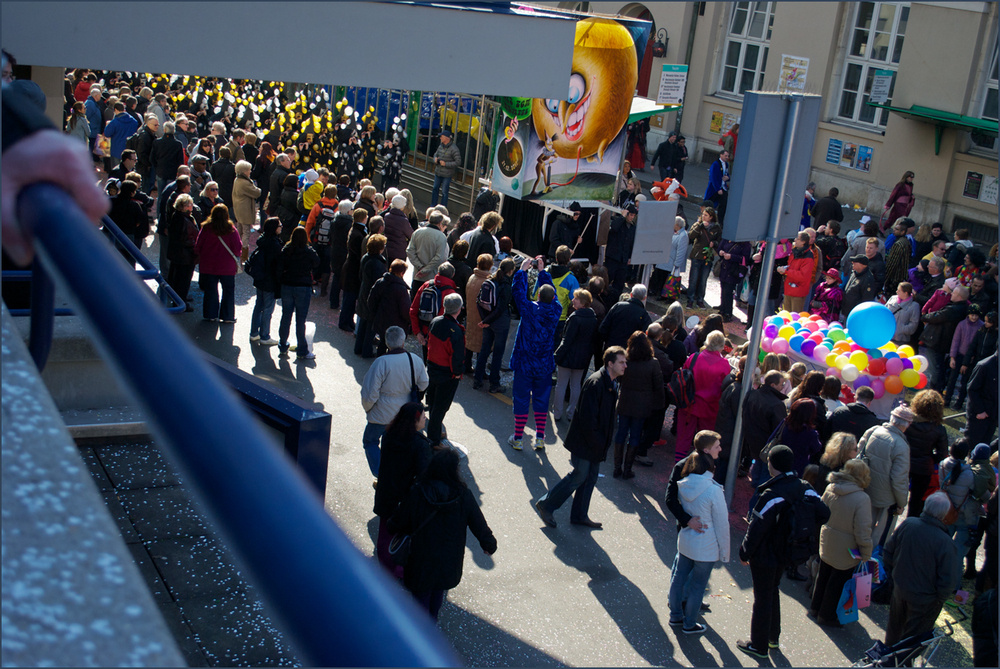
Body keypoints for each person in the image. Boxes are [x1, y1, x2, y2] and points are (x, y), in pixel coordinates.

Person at [737, 445, 831, 659]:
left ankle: (758, 645)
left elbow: (756, 528)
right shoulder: (805, 487)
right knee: (773, 589)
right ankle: (772, 637)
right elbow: (824, 513)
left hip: (766, 553)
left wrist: (744, 553)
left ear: (772, 464)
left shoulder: (771, 493)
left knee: (762, 597)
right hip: (789, 551)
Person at [388, 447, 497, 621]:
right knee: (438, 590)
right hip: (449, 558)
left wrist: (392, 526)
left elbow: (399, 520)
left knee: (420, 597)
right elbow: (479, 523)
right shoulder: (463, 495)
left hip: (420, 557)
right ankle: (431, 623)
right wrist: (488, 544)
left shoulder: (418, 491)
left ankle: (423, 631)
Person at [534, 347, 626, 529]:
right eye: (622, 362)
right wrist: (598, 442)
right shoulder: (596, 383)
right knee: (579, 475)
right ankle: (546, 504)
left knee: (590, 478)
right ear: (610, 363)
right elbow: (587, 419)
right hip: (586, 443)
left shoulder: (611, 383)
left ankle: (579, 515)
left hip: (595, 443)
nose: (625, 365)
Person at [667, 431, 729, 635]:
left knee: (679, 576)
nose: (720, 449)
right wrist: (687, 520)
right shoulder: (710, 487)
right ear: (706, 450)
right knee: (696, 584)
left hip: (686, 537)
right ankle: (689, 618)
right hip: (700, 539)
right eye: (717, 446)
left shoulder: (688, 478)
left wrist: (687, 521)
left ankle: (677, 614)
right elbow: (721, 523)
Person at [883, 491, 959, 647]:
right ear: (943, 515)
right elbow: (949, 580)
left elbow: (888, 551)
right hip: (924, 599)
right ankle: (900, 662)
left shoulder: (909, 524)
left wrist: (893, 576)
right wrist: (938, 599)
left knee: (894, 629)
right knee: (912, 640)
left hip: (900, 588)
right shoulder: (946, 543)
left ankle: (887, 658)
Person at [809, 459, 873, 628]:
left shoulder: (831, 487)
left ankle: (815, 608)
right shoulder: (862, 498)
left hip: (827, 539)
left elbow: (820, 511)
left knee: (823, 575)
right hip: (847, 548)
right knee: (837, 582)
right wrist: (866, 553)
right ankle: (827, 615)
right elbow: (862, 530)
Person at [507, 257, 562, 450]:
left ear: (537, 296)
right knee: (541, 400)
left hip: (524, 363)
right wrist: (542, 273)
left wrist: (522, 271)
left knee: (521, 400)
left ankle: (519, 437)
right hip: (544, 364)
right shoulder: (556, 311)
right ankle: (540, 437)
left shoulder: (529, 309)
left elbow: (518, 293)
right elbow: (550, 294)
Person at [362, 330, 430, 479]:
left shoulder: (381, 362)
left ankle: (381, 474)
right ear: (403, 342)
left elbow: (369, 394)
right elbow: (424, 383)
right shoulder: (414, 359)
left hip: (381, 414)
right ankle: (400, 474)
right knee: (399, 444)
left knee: (370, 441)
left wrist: (369, 410)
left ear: (387, 342)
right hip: (405, 414)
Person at [375, 408, 435, 573]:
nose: (425, 418)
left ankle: (385, 568)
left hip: (386, 493)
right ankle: (396, 570)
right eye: (423, 416)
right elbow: (424, 474)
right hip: (405, 498)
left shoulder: (389, 435)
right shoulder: (420, 444)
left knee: (385, 534)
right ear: (415, 421)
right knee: (402, 536)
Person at [858, 405, 914, 545]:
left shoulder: (873, 431)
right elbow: (899, 479)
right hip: (886, 499)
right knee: (879, 536)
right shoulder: (901, 445)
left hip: (865, 488)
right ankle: (869, 562)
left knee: (861, 527)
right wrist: (902, 502)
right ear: (907, 425)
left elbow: (859, 451)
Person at [612, 331, 664, 479]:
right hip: (642, 405)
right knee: (635, 436)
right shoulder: (653, 363)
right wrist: (657, 405)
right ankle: (627, 469)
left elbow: (618, 378)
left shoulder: (625, 361)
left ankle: (617, 467)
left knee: (621, 432)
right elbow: (658, 385)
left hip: (625, 401)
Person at [675, 331, 732, 464]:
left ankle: (679, 465)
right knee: (706, 442)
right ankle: (700, 465)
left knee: (683, 438)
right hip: (710, 408)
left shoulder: (694, 357)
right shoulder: (724, 365)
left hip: (690, 404)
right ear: (721, 345)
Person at [939, 439, 987, 591]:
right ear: (967, 454)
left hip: (946, 512)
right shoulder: (969, 474)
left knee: (941, 549)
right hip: (965, 517)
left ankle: (936, 578)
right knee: (958, 554)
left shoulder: (942, 465)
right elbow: (981, 494)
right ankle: (953, 585)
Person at [425, 293, 465, 447]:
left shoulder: (435, 321)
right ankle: (434, 440)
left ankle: (434, 430)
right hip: (447, 373)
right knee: (441, 407)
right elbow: (457, 356)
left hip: (433, 367)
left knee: (434, 403)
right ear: (459, 309)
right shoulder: (456, 330)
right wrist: (456, 373)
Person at [553, 289, 598, 423]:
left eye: (576, 298)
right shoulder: (593, 318)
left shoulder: (575, 318)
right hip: (583, 357)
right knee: (576, 385)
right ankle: (572, 413)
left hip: (568, 356)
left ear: (582, 302)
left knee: (561, 384)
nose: (573, 300)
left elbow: (567, 341)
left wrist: (556, 355)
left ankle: (557, 412)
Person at [276, 226, 321, 360]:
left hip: (288, 285)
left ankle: (283, 345)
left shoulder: (287, 250)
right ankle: (302, 350)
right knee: (300, 320)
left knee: (286, 316)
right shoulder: (308, 251)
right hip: (303, 286)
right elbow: (317, 263)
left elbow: (280, 266)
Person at [473, 258, 515, 394]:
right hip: (500, 323)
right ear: (511, 271)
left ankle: (477, 379)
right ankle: (494, 383)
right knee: (497, 354)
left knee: (484, 350)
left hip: (488, 320)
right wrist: (488, 320)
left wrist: (485, 320)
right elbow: (501, 308)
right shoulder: (506, 285)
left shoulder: (490, 280)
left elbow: (478, 301)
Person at [194, 204, 241, 323]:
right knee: (228, 291)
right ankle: (227, 316)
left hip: (208, 265)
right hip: (227, 266)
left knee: (210, 290)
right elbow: (237, 248)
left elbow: (198, 246)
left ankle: (211, 314)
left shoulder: (206, 228)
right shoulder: (231, 229)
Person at [920, 284, 970, 390]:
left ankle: (935, 391)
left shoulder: (954, 309)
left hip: (937, 341)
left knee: (935, 369)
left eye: (954, 293)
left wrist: (924, 316)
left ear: (959, 297)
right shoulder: (962, 307)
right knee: (938, 368)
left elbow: (937, 316)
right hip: (942, 340)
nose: (951, 294)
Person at [741, 370, 788, 472]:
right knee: (762, 475)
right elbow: (779, 430)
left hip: (749, 440)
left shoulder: (752, 394)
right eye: (782, 384)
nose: (783, 386)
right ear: (773, 385)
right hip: (764, 446)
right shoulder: (776, 405)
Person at [410, 262, 460, 359]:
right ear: (453, 275)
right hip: (440, 337)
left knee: (426, 362)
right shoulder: (451, 293)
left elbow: (413, 310)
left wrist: (417, 332)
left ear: (438, 272)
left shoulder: (426, 285)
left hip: (424, 331)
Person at [367, 260, 414, 357]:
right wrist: (410, 321)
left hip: (381, 320)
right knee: (394, 349)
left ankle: (380, 363)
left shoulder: (380, 282)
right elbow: (405, 310)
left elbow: (371, 300)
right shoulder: (401, 289)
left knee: (382, 344)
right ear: (402, 273)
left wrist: (376, 314)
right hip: (396, 324)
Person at [248, 217, 282, 346]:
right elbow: (277, 266)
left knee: (259, 306)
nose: (281, 227)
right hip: (270, 281)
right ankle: (265, 335)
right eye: (279, 225)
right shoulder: (275, 245)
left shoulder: (262, 241)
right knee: (268, 309)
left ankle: (254, 333)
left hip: (260, 279)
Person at [356, 233, 388, 359]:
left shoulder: (366, 258)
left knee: (363, 323)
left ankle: (358, 347)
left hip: (364, 292)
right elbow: (379, 284)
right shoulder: (378, 264)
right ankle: (366, 351)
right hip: (372, 297)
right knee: (370, 327)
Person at [944, 304, 983, 407]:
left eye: (976, 315)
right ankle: (947, 400)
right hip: (959, 355)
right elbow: (955, 341)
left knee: (965, 381)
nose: (974, 317)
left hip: (971, 358)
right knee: (952, 379)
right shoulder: (961, 324)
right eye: (972, 315)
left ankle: (959, 402)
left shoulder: (981, 326)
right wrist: (952, 357)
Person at [406, 208, 449, 299]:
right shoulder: (441, 237)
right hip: (431, 278)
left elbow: (410, 251)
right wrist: (425, 270)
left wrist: (420, 267)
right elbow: (439, 258)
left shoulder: (417, 232)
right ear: (440, 223)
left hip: (417, 276)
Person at [958, 310, 997, 409]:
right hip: (975, 362)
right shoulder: (981, 331)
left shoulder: (996, 335)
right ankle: (959, 402)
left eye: (988, 322)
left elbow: (994, 352)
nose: (985, 323)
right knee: (966, 383)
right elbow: (972, 347)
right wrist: (965, 363)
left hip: (987, 365)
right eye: (985, 321)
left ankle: (975, 406)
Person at [599, 283, 652, 351]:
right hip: (629, 351)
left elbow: (603, 327)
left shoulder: (618, 306)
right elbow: (646, 336)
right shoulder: (644, 315)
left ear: (631, 294)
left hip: (611, 347)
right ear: (644, 298)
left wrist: (607, 342)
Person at [686, 206, 720, 309]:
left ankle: (700, 300)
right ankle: (690, 300)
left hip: (707, 258)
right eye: (703, 215)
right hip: (697, 256)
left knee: (703, 280)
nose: (703, 217)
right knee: (693, 279)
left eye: (706, 215)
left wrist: (714, 243)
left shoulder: (716, 228)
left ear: (711, 217)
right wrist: (700, 226)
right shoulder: (697, 224)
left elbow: (719, 241)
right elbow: (691, 236)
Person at [464, 253, 493, 372]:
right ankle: (479, 371)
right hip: (482, 318)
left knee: (470, 341)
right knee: (482, 345)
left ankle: (466, 366)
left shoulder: (472, 278)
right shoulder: (487, 283)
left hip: (471, 314)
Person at [780, 399, 823, 479]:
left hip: (781, 461)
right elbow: (816, 448)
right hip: (799, 467)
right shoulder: (811, 433)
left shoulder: (784, 424)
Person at [605, 203, 638, 301]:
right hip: (613, 257)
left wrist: (629, 257)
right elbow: (614, 228)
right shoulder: (618, 222)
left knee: (619, 283)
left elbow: (631, 243)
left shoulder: (632, 227)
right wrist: (622, 216)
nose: (632, 217)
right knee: (608, 279)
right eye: (630, 215)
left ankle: (615, 300)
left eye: (633, 215)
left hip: (623, 259)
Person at [777, 231, 816, 313]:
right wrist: (783, 270)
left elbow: (803, 276)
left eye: (797, 239)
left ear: (803, 242)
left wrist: (787, 271)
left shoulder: (808, 255)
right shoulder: (795, 251)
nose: (795, 240)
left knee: (795, 316)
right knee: (786, 315)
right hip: (789, 289)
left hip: (798, 292)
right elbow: (791, 267)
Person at [965, 352, 998, 445]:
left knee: (985, 446)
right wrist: (980, 410)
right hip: (979, 416)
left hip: (993, 415)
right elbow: (972, 389)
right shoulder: (984, 366)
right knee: (972, 445)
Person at [232, 160, 262, 262]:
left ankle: (238, 251)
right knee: (246, 232)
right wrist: (258, 189)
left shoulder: (237, 180)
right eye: (249, 170)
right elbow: (256, 192)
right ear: (244, 171)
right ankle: (244, 256)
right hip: (245, 210)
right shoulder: (245, 183)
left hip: (239, 208)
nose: (250, 171)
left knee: (240, 231)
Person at [813, 432, 859, 496]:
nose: (858, 451)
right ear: (846, 451)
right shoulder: (846, 473)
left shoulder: (824, 465)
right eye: (856, 449)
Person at [716, 238, 751, 323]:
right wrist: (720, 252)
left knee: (728, 291)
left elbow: (745, 259)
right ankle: (722, 309)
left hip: (733, 270)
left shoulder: (745, 244)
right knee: (723, 289)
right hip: (724, 268)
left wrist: (732, 257)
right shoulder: (727, 238)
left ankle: (728, 313)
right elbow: (719, 248)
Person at [840, 254, 878, 319]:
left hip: (856, 314)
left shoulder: (867, 279)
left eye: (855, 262)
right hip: (847, 310)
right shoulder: (855, 273)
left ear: (862, 265)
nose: (853, 263)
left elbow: (866, 299)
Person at [430, 130, 461, 208]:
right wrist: (435, 160)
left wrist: (446, 164)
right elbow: (435, 155)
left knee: (444, 192)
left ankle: (443, 208)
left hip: (447, 174)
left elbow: (458, 162)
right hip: (438, 172)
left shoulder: (454, 149)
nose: (440, 138)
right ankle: (433, 205)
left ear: (447, 138)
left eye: (442, 136)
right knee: (435, 189)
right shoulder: (440, 146)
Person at [885, 281, 921, 346]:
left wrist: (900, 329)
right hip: (886, 335)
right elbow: (884, 313)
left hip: (900, 339)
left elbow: (913, 324)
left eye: (899, 290)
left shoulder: (914, 306)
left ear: (905, 293)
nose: (896, 292)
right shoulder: (892, 298)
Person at [702, 149, 730, 224]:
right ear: (721, 155)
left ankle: (720, 222)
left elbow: (727, 174)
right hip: (715, 189)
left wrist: (727, 178)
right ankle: (706, 219)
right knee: (710, 205)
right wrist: (718, 188)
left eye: (728, 156)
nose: (727, 157)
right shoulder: (716, 164)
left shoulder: (726, 164)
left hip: (723, 187)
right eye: (725, 155)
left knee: (723, 205)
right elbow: (713, 177)